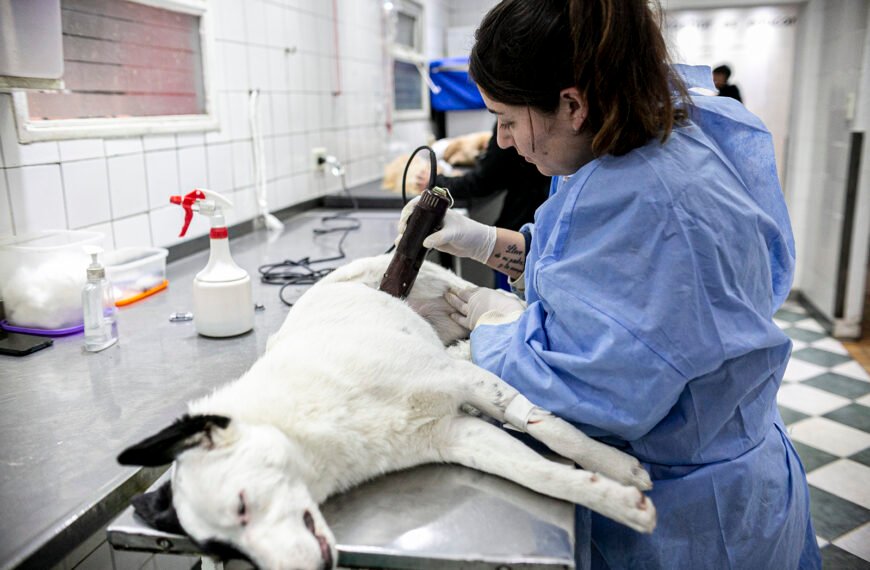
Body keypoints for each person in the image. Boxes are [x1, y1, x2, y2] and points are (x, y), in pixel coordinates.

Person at [397, 1, 820, 568]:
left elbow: (584, 388)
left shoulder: (650, 197)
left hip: (690, 517)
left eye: (506, 119)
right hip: (725, 470)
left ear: (572, 104)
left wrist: (483, 328)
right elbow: (597, 276)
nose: (500, 141)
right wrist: (481, 241)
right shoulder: (648, 147)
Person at [415, 122, 551, 288]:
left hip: (523, 229)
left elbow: (485, 180)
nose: (502, 141)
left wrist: (437, 181)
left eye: (507, 121)